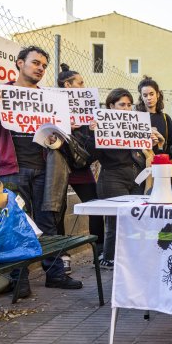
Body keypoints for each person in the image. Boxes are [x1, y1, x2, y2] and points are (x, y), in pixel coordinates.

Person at [0, 46, 83, 297]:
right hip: (12, 169)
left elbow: (58, 135)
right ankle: (18, 278)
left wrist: (67, 127)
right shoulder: (0, 93)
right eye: (35, 63)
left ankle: (55, 274)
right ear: (20, 63)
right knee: (17, 224)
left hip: (47, 168)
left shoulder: (50, 99)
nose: (40, 68)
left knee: (49, 220)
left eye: (44, 65)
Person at [89, 88, 153, 268]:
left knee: (135, 219)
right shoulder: (101, 125)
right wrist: (94, 133)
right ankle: (109, 258)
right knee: (115, 220)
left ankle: (130, 259)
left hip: (136, 176)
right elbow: (90, 155)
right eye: (122, 104)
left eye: (129, 105)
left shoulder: (134, 124)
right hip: (112, 177)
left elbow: (142, 150)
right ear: (111, 106)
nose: (126, 108)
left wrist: (149, 141)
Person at [56, 63, 104, 273]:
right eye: (80, 83)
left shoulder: (86, 109)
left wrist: (93, 131)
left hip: (80, 168)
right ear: (68, 85)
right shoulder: (52, 105)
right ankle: (61, 256)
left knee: (95, 205)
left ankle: (99, 250)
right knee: (57, 211)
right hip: (58, 165)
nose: (84, 86)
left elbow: (90, 148)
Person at [135, 76, 172, 156]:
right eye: (145, 95)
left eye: (151, 94)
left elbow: (170, 147)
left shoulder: (166, 118)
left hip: (159, 163)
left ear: (157, 94)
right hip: (138, 165)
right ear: (141, 97)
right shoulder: (135, 118)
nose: (149, 98)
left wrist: (160, 146)